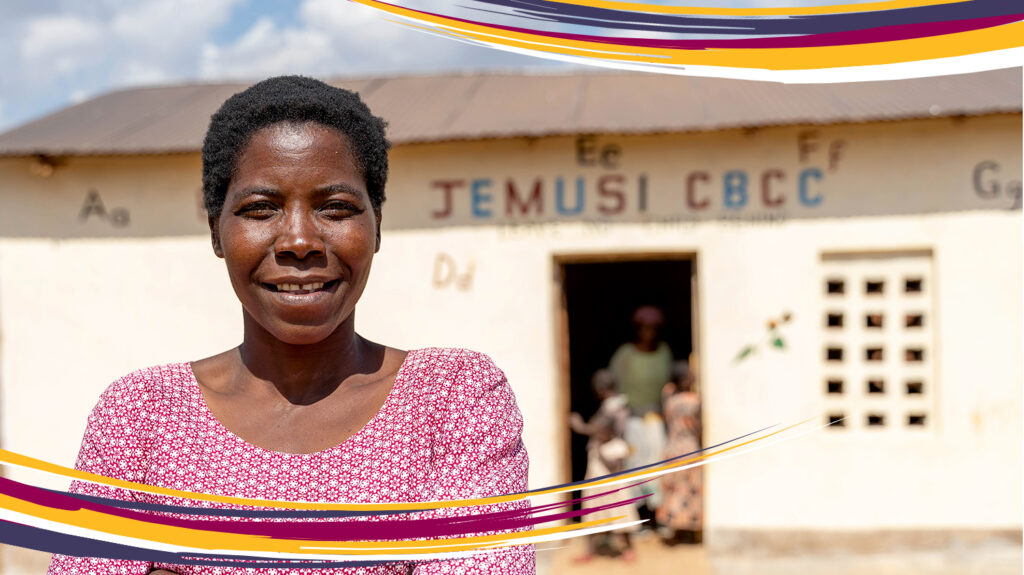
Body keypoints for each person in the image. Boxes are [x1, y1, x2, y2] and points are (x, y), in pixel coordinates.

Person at [46, 76, 533, 575]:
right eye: (260, 209)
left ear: (377, 226)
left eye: (336, 208)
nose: (299, 240)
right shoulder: (141, 417)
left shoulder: (453, 401)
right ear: (217, 231)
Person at [608, 305, 673, 515]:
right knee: (634, 464)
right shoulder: (625, 355)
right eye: (644, 328)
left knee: (656, 464)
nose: (648, 333)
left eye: (653, 328)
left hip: (656, 419)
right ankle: (638, 514)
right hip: (632, 420)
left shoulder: (664, 353)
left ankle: (657, 514)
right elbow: (612, 387)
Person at [568, 373, 638, 563]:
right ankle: (617, 550)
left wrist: (580, 426)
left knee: (606, 503)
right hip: (606, 464)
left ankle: (623, 549)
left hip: (605, 465)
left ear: (599, 388)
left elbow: (601, 430)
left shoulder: (612, 407)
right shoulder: (619, 404)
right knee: (600, 504)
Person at [657, 360, 703, 544]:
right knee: (690, 490)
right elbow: (698, 426)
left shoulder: (669, 399)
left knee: (674, 490)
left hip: (672, 448)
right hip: (690, 448)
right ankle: (690, 530)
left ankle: (674, 528)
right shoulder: (694, 401)